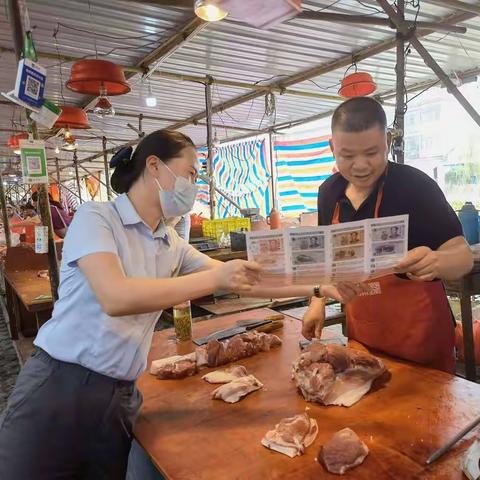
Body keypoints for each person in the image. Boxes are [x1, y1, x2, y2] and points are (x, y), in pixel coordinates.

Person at [0, 129, 363, 480]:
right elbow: (115, 296)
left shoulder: (168, 240)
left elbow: (247, 279)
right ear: (154, 166)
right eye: (190, 173)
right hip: (61, 385)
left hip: (119, 395)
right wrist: (214, 280)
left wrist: (318, 285)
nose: (195, 184)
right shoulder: (98, 218)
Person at [303, 97, 473, 374]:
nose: (360, 165)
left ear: (387, 143)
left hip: (421, 344)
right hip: (363, 343)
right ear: (332, 147)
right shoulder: (328, 194)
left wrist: (437, 261)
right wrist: (317, 301)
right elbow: (328, 260)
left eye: (372, 153)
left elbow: (462, 255)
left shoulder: (415, 187)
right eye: (347, 156)